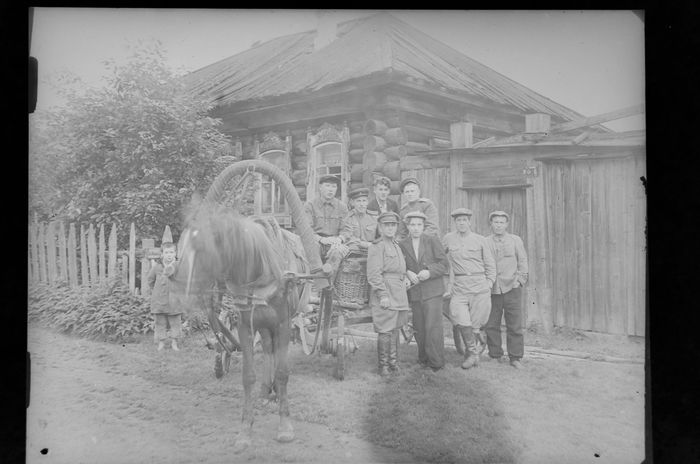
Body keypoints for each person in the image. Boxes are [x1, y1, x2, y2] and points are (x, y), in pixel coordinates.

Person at [442, 208, 496, 369]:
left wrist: (489, 283)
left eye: (464, 220)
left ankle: (471, 353)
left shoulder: (480, 240)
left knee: (476, 324)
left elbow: (490, 264)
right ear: (455, 223)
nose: (462, 223)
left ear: (469, 222)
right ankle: (473, 354)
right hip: (459, 287)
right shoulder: (448, 239)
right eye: (458, 220)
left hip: (479, 286)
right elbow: (439, 256)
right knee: (461, 319)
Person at [398, 211, 448, 371]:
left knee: (433, 327)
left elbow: (444, 264)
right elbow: (400, 264)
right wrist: (407, 272)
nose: (416, 228)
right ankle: (423, 359)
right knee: (419, 326)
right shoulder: (403, 244)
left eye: (419, 225)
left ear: (423, 226)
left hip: (432, 291)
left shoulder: (432, 240)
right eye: (412, 225)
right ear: (407, 226)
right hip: (415, 292)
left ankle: (436, 362)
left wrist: (429, 271)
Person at [367, 211, 410, 376]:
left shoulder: (397, 245)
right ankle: (383, 366)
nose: (390, 228)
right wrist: (382, 295)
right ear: (380, 227)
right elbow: (374, 274)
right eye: (387, 225)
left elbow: (400, 268)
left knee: (395, 329)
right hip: (386, 292)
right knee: (385, 329)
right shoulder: (377, 246)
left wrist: (404, 277)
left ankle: (393, 363)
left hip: (399, 292)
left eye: (393, 225)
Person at [484, 211, 529, 369]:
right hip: (493, 289)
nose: (498, 225)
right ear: (491, 224)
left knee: (514, 324)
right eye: (495, 222)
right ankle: (495, 355)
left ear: (507, 224)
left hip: (512, 288)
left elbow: (523, 261)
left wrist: (520, 280)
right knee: (491, 324)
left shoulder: (515, 240)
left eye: (502, 222)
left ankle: (515, 357)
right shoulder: (485, 242)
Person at [303, 174, 349, 273]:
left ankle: (328, 286)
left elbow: (347, 229)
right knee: (312, 250)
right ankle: (316, 284)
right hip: (316, 241)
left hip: (334, 242)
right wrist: (321, 239)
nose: (331, 189)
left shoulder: (342, 207)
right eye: (327, 185)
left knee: (337, 252)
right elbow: (306, 229)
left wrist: (339, 239)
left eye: (334, 186)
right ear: (320, 187)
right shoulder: (310, 205)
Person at [147, 242, 183, 352]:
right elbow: (150, 281)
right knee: (160, 322)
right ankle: (161, 342)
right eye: (166, 252)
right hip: (159, 301)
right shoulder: (157, 267)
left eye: (171, 252)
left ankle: (174, 343)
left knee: (175, 323)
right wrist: (158, 291)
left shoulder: (179, 266)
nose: (169, 255)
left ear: (175, 253)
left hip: (174, 301)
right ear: (162, 254)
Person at [339, 187, 379, 254]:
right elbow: (348, 237)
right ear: (353, 203)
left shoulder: (374, 218)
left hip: (372, 251)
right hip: (354, 253)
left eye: (364, 201)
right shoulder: (348, 218)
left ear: (367, 202)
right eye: (358, 201)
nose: (361, 204)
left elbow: (381, 236)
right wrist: (365, 244)